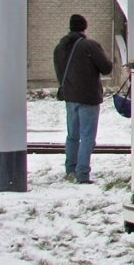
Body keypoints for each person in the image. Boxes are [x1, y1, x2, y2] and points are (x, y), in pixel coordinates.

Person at [53, 14, 112, 184]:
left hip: (69, 97)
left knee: (72, 135)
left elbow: (59, 71)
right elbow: (106, 68)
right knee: (87, 136)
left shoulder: (60, 47)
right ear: (84, 27)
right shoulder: (89, 46)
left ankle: (70, 169)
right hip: (88, 97)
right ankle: (82, 174)